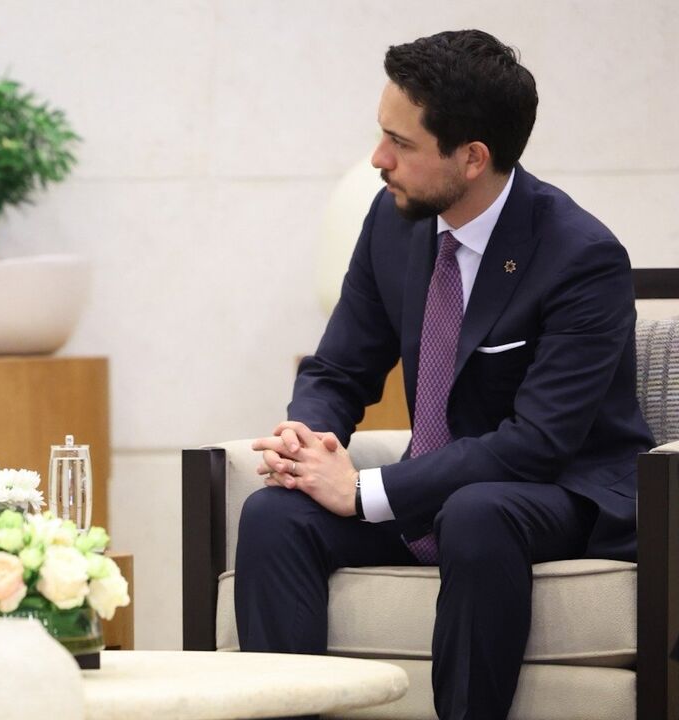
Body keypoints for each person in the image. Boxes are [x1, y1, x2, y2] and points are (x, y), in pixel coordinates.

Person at [234, 30, 652, 720]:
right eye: (380, 133)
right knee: (275, 514)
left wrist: (367, 488)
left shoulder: (581, 257)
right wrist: (306, 442)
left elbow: (537, 443)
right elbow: (341, 367)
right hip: (438, 488)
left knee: (478, 511)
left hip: (559, 491)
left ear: (472, 157)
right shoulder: (393, 223)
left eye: (401, 143)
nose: (378, 159)